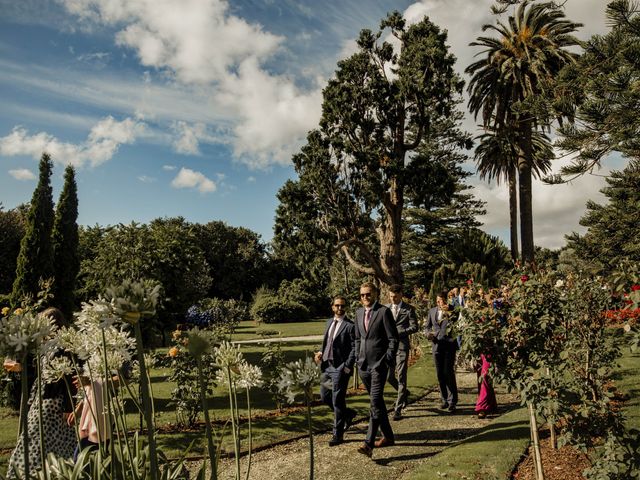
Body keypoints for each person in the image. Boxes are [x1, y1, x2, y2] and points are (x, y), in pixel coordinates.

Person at [6, 308, 77, 480]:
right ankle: (30, 473)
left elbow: (70, 378)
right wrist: (19, 367)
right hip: (41, 400)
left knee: (39, 439)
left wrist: (70, 406)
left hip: (54, 403)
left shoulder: (63, 346)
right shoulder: (46, 346)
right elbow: (37, 372)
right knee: (35, 439)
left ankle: (33, 473)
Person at [354, 282, 398, 458]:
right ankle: (388, 436)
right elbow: (357, 338)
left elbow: (393, 339)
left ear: (375, 295)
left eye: (368, 294)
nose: (365, 297)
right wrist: (357, 358)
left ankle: (368, 443)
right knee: (378, 402)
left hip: (378, 366)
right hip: (363, 365)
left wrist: (385, 360)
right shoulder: (358, 313)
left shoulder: (383, 312)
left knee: (374, 402)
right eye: (362, 295)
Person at [314, 295, 357, 446]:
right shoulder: (328, 323)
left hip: (340, 368)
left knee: (337, 401)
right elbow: (326, 343)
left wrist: (347, 366)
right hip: (326, 367)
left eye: (342, 306)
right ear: (332, 307)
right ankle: (348, 414)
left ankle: (337, 434)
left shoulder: (350, 325)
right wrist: (320, 353)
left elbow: (354, 348)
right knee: (325, 397)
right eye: (337, 305)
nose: (340, 308)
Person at [386, 284, 418, 421]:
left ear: (400, 295)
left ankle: (398, 409)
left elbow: (415, 327)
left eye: (395, 296)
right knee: (389, 377)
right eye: (391, 296)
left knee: (402, 377)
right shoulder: (385, 309)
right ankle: (405, 393)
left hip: (401, 346)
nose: (392, 299)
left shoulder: (408, 309)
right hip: (388, 348)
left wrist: (401, 332)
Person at [424, 291, 459, 413]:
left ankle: (452, 401)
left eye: (443, 300)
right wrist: (428, 334)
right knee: (440, 374)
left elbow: (456, 320)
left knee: (448, 372)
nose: (440, 302)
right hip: (436, 345)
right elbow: (427, 327)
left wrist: (449, 310)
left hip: (449, 345)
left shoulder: (453, 310)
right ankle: (444, 399)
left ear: (446, 300)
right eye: (438, 300)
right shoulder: (432, 311)